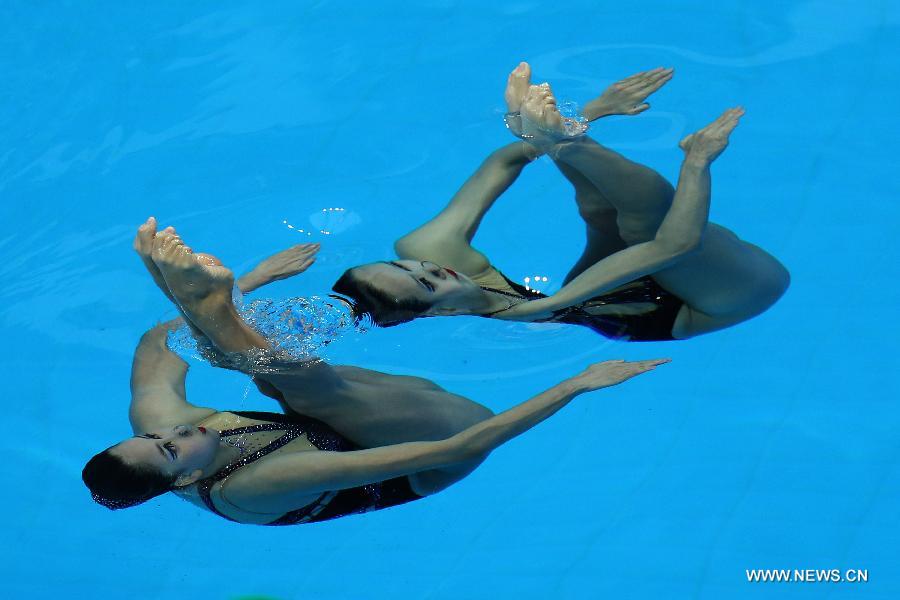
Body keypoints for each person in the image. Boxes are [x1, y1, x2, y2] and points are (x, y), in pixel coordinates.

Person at [82, 219, 667, 525]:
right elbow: (461, 446)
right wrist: (575, 384)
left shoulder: (166, 429)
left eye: (156, 433)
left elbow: (156, 344)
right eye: (170, 449)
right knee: (312, 382)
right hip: (437, 453)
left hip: (332, 425)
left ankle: (213, 308)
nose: (179, 429)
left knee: (285, 372)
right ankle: (215, 310)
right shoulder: (258, 485)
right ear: (185, 479)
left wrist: (256, 279)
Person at [332, 63, 790, 341]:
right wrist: (697, 163)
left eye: (405, 265)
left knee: (598, 209)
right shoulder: (529, 310)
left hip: (628, 282)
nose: (430, 268)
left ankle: (561, 137)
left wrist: (591, 111)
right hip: (719, 301)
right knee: (644, 227)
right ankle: (564, 140)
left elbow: (501, 163)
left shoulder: (425, 248)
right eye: (427, 284)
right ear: (444, 312)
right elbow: (676, 245)